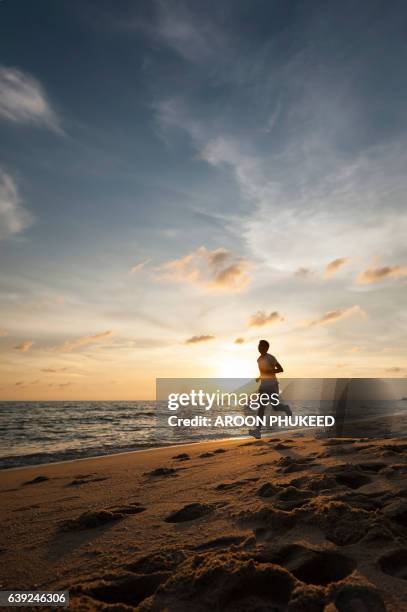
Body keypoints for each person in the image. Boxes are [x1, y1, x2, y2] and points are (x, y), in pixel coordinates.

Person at [249, 339, 292, 439]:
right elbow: (263, 371)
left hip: (272, 385)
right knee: (261, 409)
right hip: (263, 386)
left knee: (275, 407)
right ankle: (258, 431)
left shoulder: (271, 358)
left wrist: (269, 372)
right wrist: (259, 377)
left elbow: (281, 369)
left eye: (262, 346)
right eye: (259, 346)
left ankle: (285, 408)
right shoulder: (258, 359)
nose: (259, 348)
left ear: (266, 348)